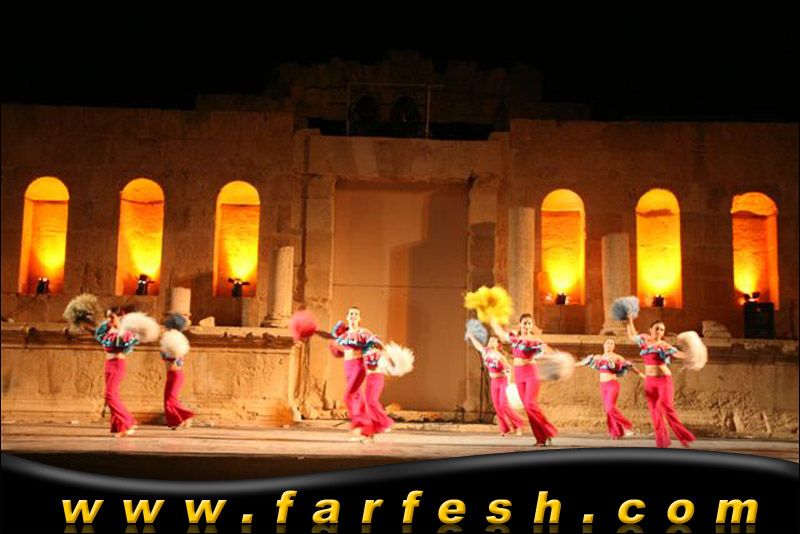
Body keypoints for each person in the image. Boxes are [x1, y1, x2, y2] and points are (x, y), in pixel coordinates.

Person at [625, 316, 696, 448]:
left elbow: (677, 354)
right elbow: (632, 335)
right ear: (650, 329)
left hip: (663, 381)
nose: (659, 332)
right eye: (657, 329)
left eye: (662, 330)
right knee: (655, 412)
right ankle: (662, 442)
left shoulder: (663, 345)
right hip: (650, 381)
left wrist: (691, 355)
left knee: (667, 409)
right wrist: (629, 320)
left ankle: (684, 437)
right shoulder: (644, 340)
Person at [491, 314, 557, 446]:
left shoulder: (534, 339)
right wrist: (493, 318)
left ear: (532, 326)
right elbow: (500, 332)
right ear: (520, 324)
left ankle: (548, 430)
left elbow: (546, 349)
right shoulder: (515, 338)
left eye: (529, 323)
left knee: (531, 404)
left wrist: (557, 356)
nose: (527, 326)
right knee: (527, 407)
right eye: (525, 323)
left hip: (531, 372)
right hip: (519, 373)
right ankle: (540, 439)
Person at [331, 307, 383, 440]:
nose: (353, 315)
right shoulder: (344, 335)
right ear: (347, 317)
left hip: (358, 366)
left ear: (359, 318)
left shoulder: (363, 332)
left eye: (356, 314)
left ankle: (362, 425)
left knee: (349, 396)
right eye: (351, 313)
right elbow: (337, 349)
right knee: (357, 398)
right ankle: (366, 431)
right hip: (347, 367)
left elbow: (376, 343)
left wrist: (377, 347)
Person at [576, 339, 644, 439]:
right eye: (608, 343)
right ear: (603, 345)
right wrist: (570, 365)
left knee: (610, 408)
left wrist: (642, 374)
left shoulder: (617, 357)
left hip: (612, 385)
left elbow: (629, 367)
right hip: (603, 386)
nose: (609, 345)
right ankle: (616, 433)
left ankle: (627, 426)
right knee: (608, 411)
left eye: (612, 343)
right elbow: (583, 362)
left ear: (614, 346)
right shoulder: (598, 357)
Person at [91, 307, 139, 437]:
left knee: (110, 395)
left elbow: (126, 345)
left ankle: (128, 422)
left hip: (118, 364)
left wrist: (121, 332)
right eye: (108, 317)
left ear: (120, 317)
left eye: (112, 317)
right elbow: (98, 335)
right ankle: (121, 427)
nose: (109, 320)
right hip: (108, 364)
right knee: (114, 395)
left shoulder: (125, 331)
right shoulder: (108, 329)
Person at [467, 334, 525, 437]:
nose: (490, 342)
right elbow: (478, 346)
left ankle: (518, 424)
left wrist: (508, 384)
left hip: (503, 381)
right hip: (494, 382)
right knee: (497, 406)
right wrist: (472, 337)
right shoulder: (486, 352)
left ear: (497, 344)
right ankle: (505, 429)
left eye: (493, 340)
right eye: (490, 340)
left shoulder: (500, 357)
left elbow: (508, 370)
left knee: (503, 404)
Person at [161, 313, 195, 430]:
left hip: (175, 374)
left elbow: (176, 357)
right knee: (169, 400)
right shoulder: (174, 338)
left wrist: (172, 359)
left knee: (170, 401)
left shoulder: (176, 339)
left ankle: (185, 416)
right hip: (172, 374)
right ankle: (179, 420)